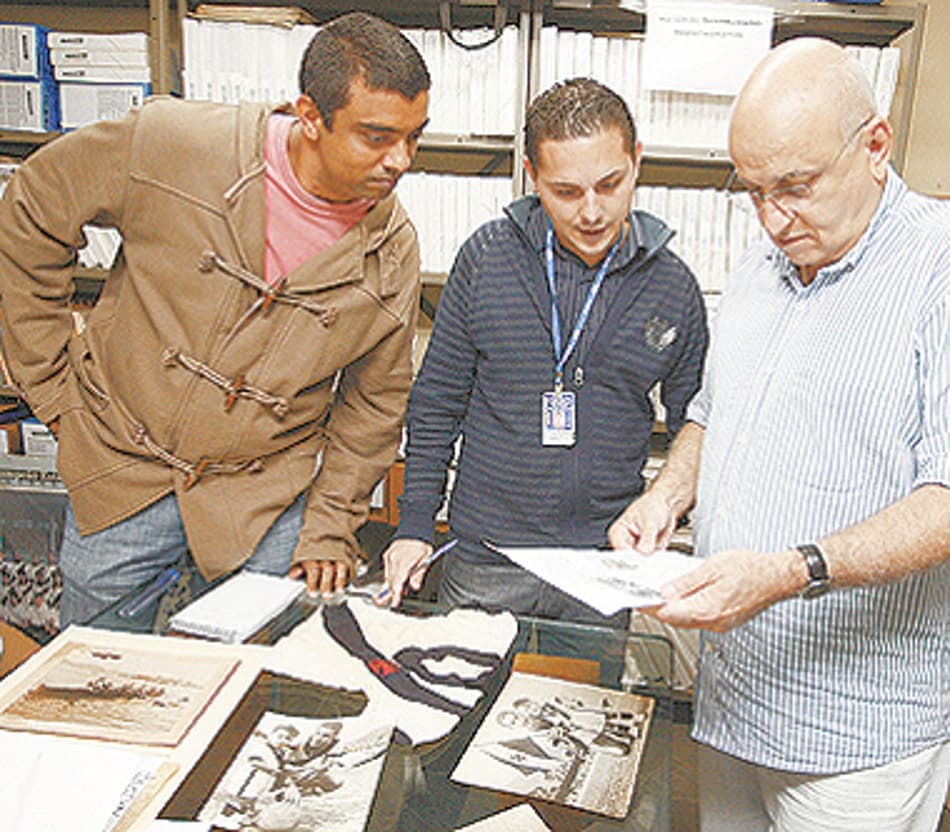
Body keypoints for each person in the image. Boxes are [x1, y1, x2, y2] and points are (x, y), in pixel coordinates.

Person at [608, 38, 950, 832]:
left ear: (874, 145)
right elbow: (712, 413)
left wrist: (791, 571)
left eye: (794, 187)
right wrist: (667, 496)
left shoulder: (938, 270)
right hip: (735, 699)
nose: (772, 217)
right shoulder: (765, 261)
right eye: (753, 190)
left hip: (856, 729)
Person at [0, 13, 430, 625]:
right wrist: (50, 388)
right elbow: (32, 210)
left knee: (262, 688)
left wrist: (332, 525)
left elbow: (375, 405)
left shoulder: (392, 248)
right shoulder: (171, 142)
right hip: (121, 469)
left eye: (414, 137)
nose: (401, 160)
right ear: (310, 116)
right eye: (377, 136)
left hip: (262, 498)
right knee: (97, 684)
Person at [379, 77, 708, 627]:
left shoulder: (673, 287)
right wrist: (414, 526)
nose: (592, 212)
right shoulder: (486, 259)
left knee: (581, 708)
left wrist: (665, 515)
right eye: (567, 191)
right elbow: (437, 403)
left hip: (604, 562)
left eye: (610, 184)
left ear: (637, 162)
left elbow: (696, 428)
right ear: (532, 177)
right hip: (487, 557)